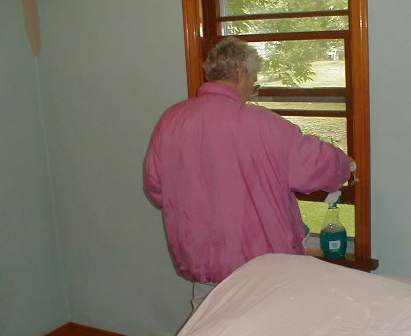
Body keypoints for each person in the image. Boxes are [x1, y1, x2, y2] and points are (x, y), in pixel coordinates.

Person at [144, 37, 352, 310]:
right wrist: (345, 164)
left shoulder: (172, 120)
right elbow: (312, 164)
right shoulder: (260, 123)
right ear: (242, 73)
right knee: (266, 335)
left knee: (210, 333)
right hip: (259, 274)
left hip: (204, 269)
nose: (253, 87)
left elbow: (156, 188)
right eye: (254, 79)